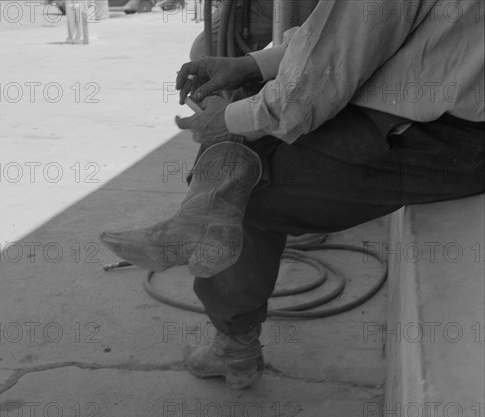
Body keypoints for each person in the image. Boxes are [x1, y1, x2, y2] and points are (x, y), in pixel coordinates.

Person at [101, 0, 484, 389]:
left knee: (245, 188)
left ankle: (233, 340)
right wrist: (251, 66)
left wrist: (229, 119)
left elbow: (320, 79)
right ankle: (199, 227)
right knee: (241, 149)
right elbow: (337, 41)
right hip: (441, 119)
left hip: (446, 137)